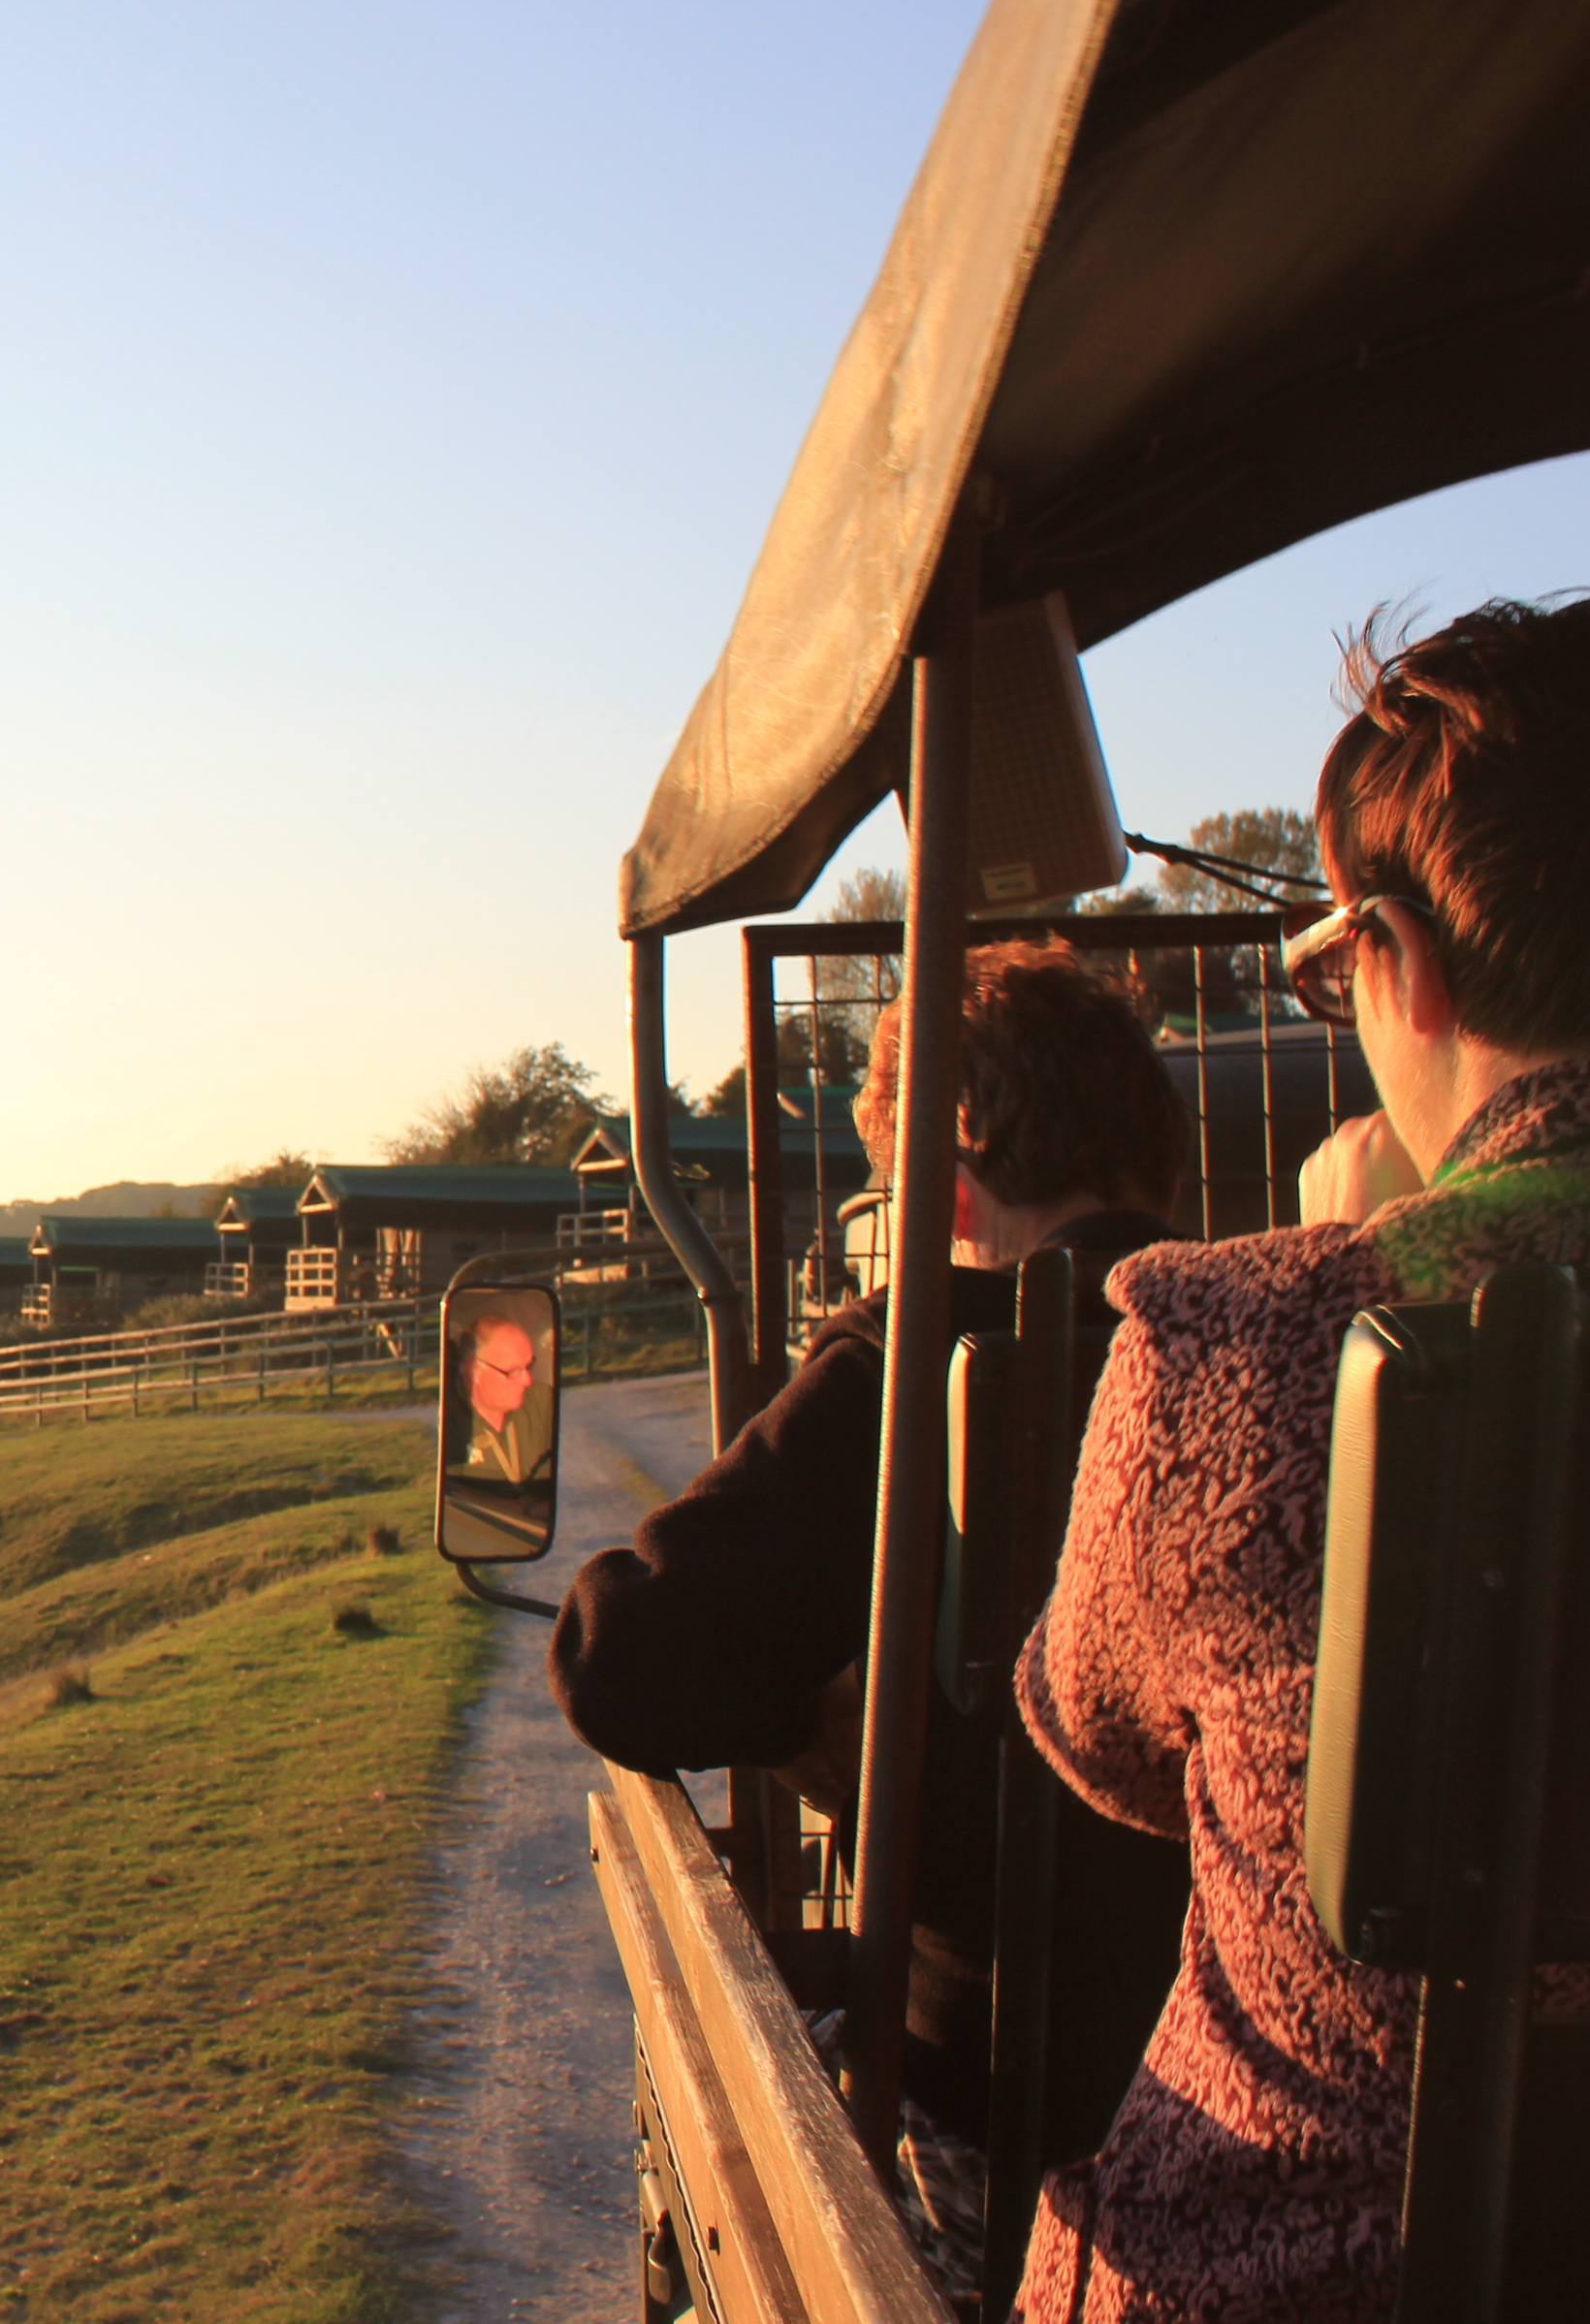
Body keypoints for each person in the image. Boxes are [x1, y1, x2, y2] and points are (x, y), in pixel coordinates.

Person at [1015, 591, 1590, 2323]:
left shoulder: (1244, 1339)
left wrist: (1353, 1245)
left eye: (1331, 972)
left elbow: (1094, 1736)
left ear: (1393, 957)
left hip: (1302, 2271)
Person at [549, 941, 1195, 2280]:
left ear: (945, 1184)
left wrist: (822, 1728)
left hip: (1005, 2104)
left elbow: (620, 1657)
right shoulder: (1269, 1337)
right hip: (1276, 2095)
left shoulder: (920, 1356)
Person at [459, 1309, 547, 1478]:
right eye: (513, 1371)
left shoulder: (541, 1402)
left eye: (528, 1366)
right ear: (475, 1371)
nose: (527, 1381)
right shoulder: (454, 1429)